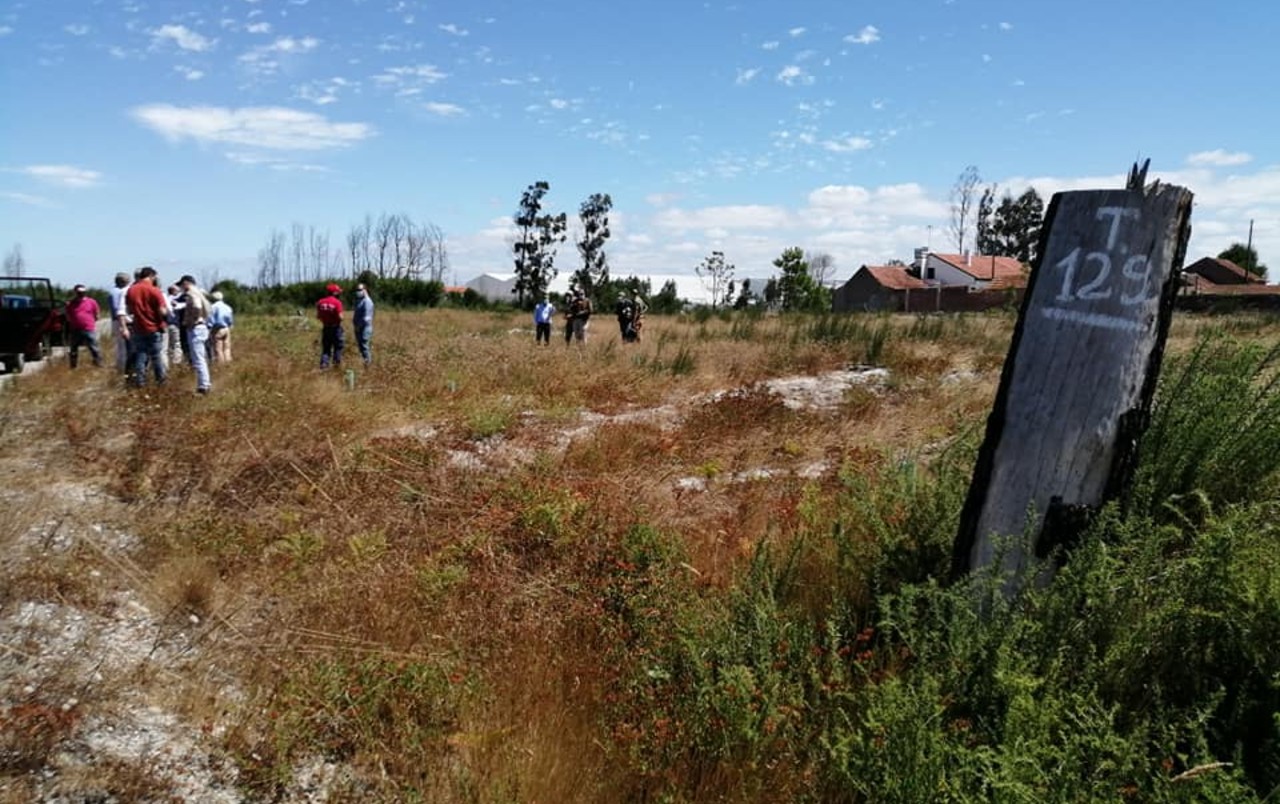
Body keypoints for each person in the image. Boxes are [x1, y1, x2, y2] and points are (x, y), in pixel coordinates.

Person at [124, 267, 169, 387]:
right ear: (151, 276)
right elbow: (162, 311)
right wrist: (166, 316)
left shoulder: (131, 290)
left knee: (141, 354)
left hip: (138, 327)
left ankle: (140, 381)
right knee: (156, 356)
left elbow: (129, 310)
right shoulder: (154, 290)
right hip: (154, 327)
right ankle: (160, 381)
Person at [178, 275, 212, 394]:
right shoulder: (199, 292)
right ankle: (205, 383)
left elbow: (197, 306)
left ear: (186, 283)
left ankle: (203, 386)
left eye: (182, 284)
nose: (181, 287)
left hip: (195, 328)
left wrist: (193, 319)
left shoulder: (192, 293)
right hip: (202, 327)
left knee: (198, 358)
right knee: (201, 357)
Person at [64, 284, 102, 368]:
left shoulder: (91, 302)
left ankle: (98, 363)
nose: (81, 294)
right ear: (75, 292)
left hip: (88, 328)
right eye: (79, 292)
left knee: (94, 347)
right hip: (75, 329)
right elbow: (68, 316)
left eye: (83, 292)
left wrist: (91, 321)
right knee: (73, 348)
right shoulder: (70, 304)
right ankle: (73, 366)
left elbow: (97, 314)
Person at [316, 282, 345, 368]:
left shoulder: (320, 302)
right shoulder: (337, 302)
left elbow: (318, 316)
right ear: (335, 293)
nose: (339, 293)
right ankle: (336, 365)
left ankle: (324, 364)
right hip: (335, 328)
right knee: (338, 347)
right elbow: (341, 317)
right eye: (338, 292)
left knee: (326, 348)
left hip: (326, 328)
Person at [108, 272, 131, 374]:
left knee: (119, 345)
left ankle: (120, 366)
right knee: (124, 346)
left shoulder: (112, 292)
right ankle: (123, 367)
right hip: (121, 320)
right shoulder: (121, 292)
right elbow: (117, 308)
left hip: (116, 320)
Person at [208, 290, 234, 363]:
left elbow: (211, 319)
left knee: (218, 349)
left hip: (217, 329)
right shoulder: (227, 307)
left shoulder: (213, 307)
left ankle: (221, 365)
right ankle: (228, 362)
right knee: (227, 348)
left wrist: (209, 327)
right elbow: (230, 319)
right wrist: (230, 325)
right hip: (226, 328)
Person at [353, 283, 373, 365]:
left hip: (364, 328)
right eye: (357, 290)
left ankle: (368, 364)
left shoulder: (367, 302)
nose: (358, 291)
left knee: (364, 346)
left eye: (359, 290)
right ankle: (365, 362)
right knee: (361, 346)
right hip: (359, 328)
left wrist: (359, 326)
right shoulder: (359, 301)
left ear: (365, 290)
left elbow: (367, 318)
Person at [165, 284, 185, 368]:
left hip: (166, 325)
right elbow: (180, 306)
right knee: (176, 344)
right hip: (174, 324)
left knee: (167, 346)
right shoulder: (174, 300)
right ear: (173, 291)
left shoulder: (165, 298)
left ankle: (167, 363)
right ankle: (176, 362)